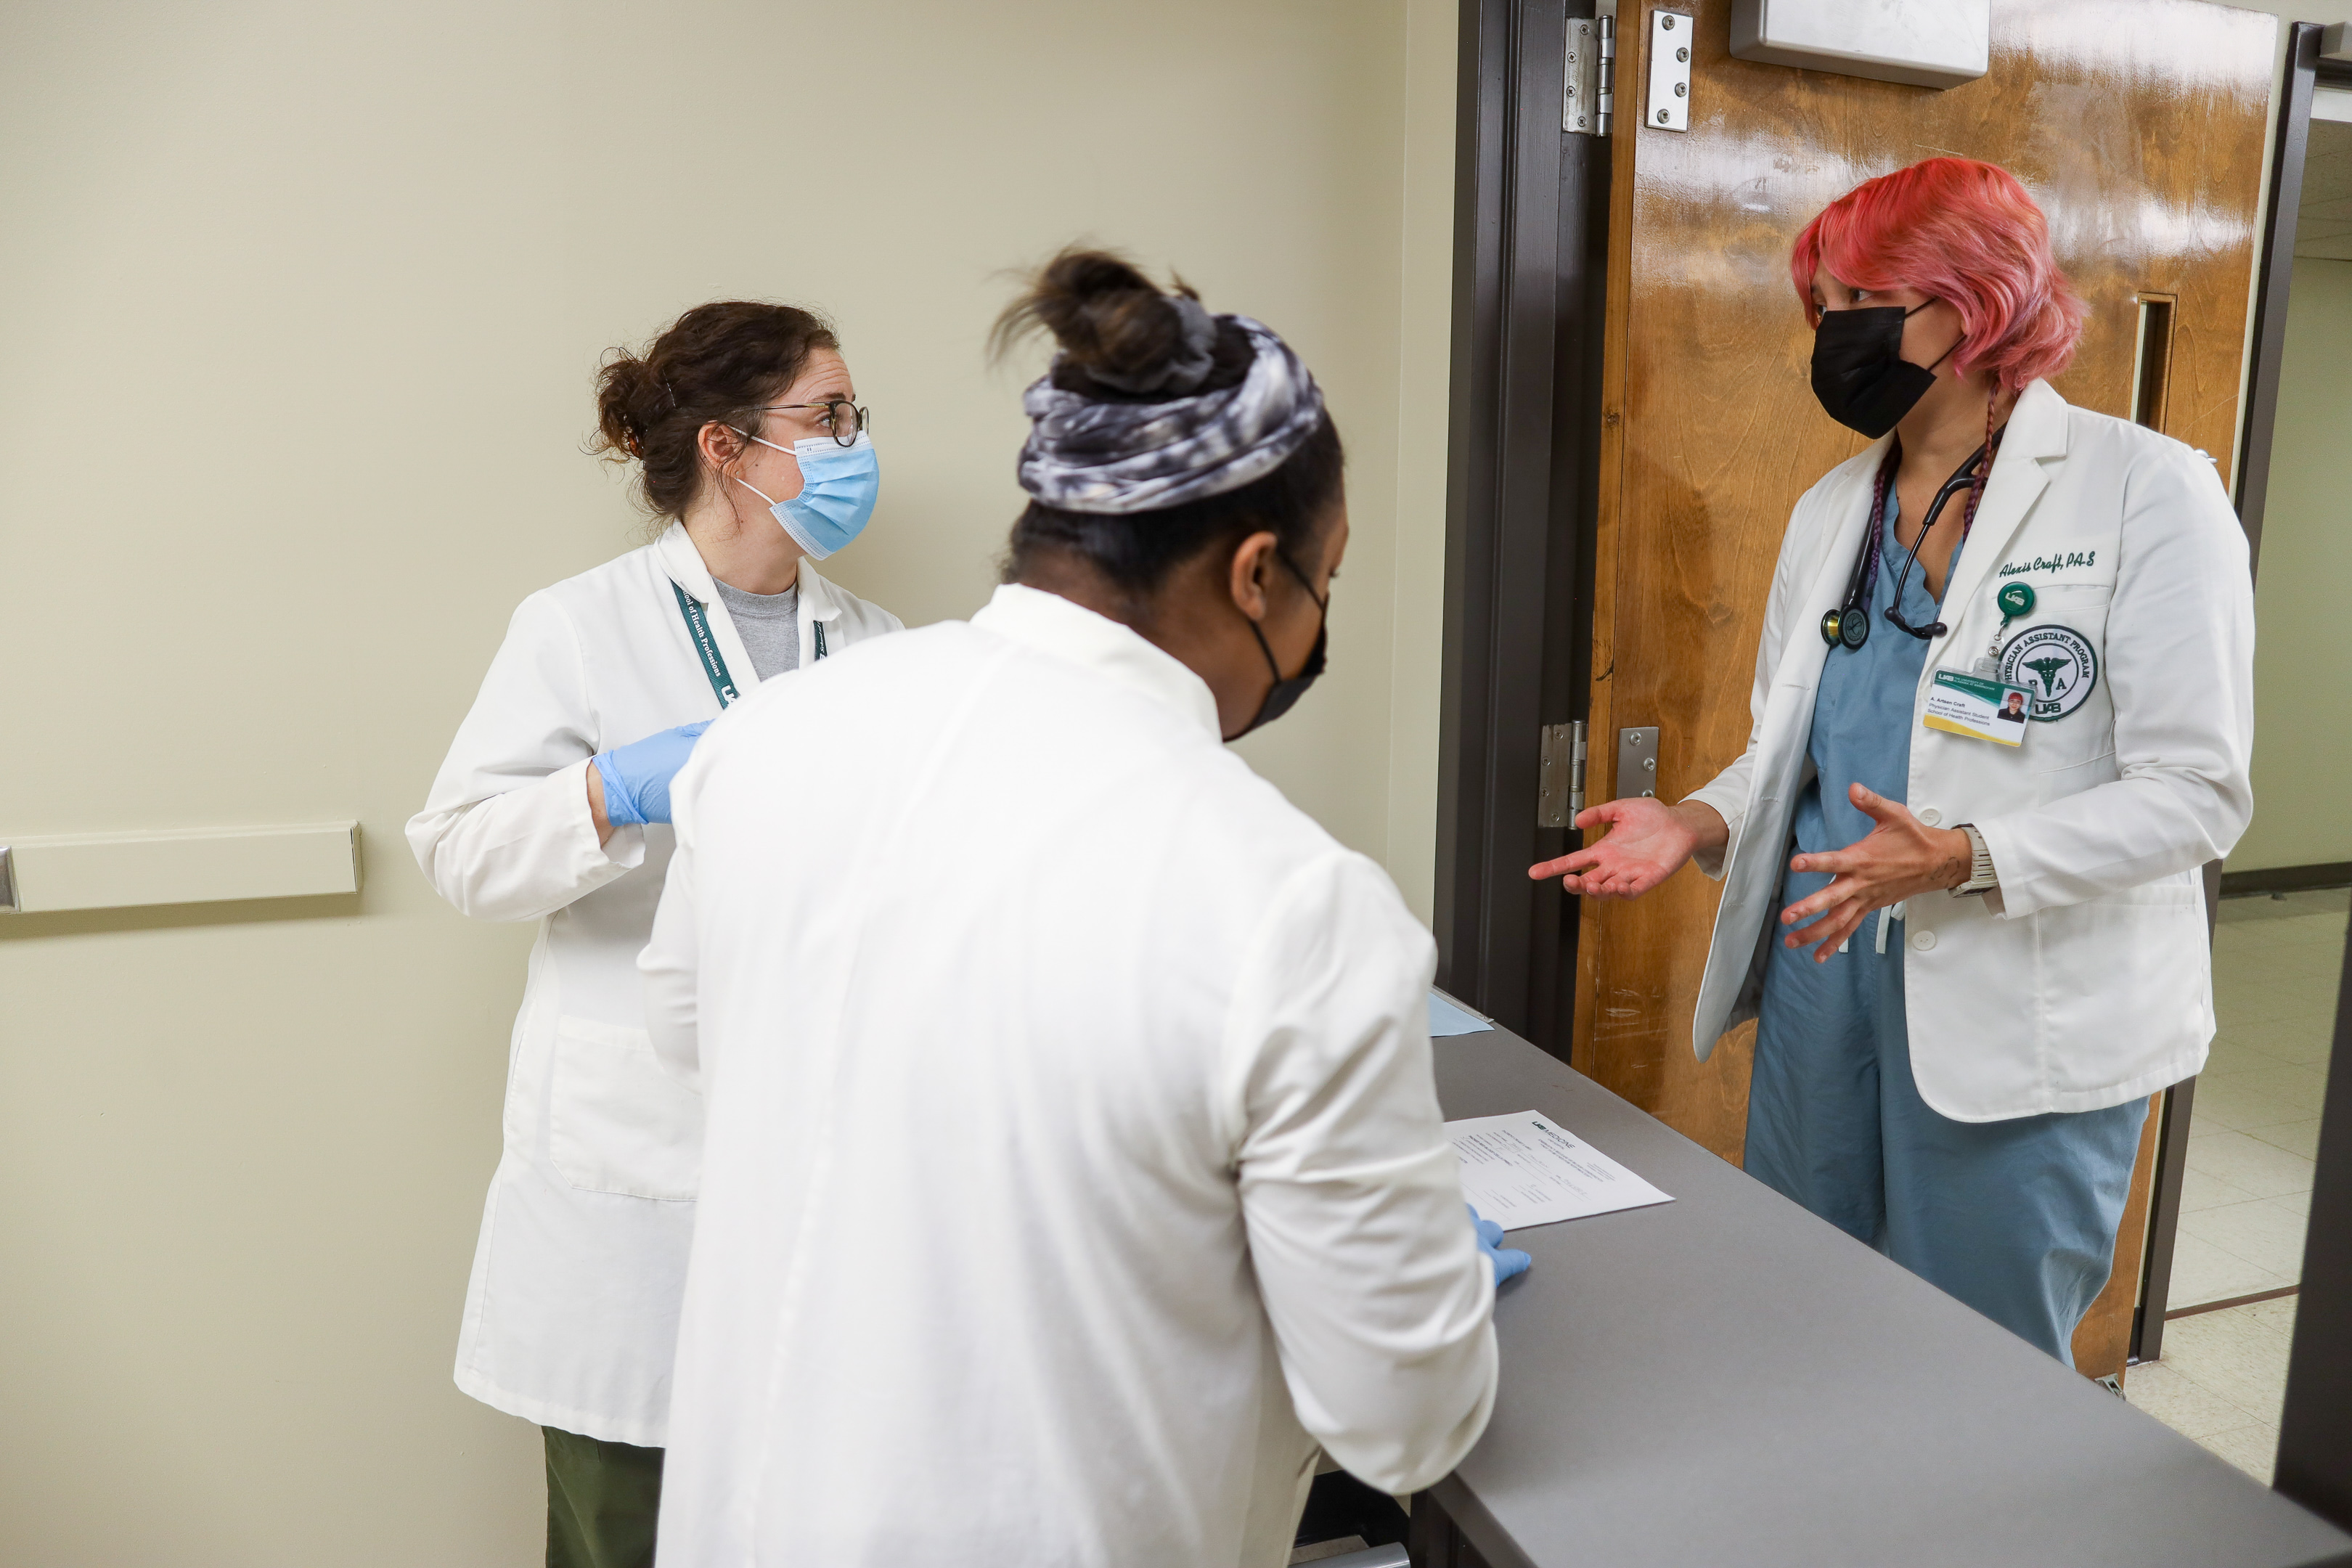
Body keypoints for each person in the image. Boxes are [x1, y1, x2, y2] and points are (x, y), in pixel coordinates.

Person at [641, 250, 1514, 1567]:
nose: (1316, 626)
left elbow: (689, 1039)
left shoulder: (762, 745)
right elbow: (1403, 1424)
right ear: (1257, 574)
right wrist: (1419, 1281)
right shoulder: (1289, 900)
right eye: (1325, 584)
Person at [1530, 158, 2253, 1365]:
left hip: (2020, 1002)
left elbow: (2198, 795)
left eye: (1864, 300)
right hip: (1826, 995)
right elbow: (1792, 752)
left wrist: (1965, 856)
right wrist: (1695, 820)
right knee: (1800, 1316)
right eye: (1824, 306)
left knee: (1981, 1362)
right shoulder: (1835, 509)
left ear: (1974, 306)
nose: (1834, 333)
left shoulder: (2145, 492)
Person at [406, 301, 901, 1567]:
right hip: (636, 1172)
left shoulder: (879, 648)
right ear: (730, 447)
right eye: (828, 417)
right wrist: (612, 791)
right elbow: (460, 853)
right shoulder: (579, 626)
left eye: (854, 416)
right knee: (629, 1524)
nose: (854, 444)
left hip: (827, 1164)